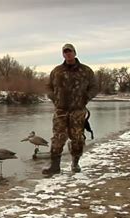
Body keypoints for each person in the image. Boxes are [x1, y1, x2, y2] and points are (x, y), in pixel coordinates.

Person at [42, 43, 98, 175]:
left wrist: (86, 98)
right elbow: (48, 87)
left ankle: (75, 163)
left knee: (77, 138)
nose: (68, 54)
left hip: (78, 110)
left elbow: (94, 87)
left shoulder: (86, 71)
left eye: (70, 51)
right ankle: (55, 166)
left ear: (75, 53)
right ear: (63, 54)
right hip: (61, 110)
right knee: (58, 138)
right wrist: (53, 97)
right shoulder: (57, 71)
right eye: (65, 52)